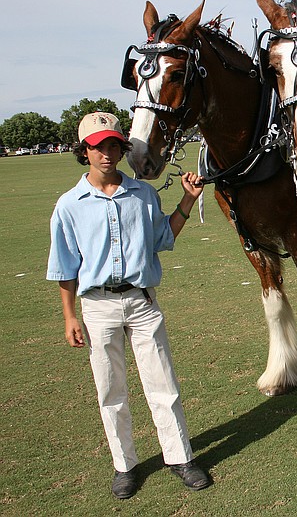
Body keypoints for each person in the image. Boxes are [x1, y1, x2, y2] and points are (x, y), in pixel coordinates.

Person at [46, 112, 211, 499]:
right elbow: (65, 266)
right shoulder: (69, 206)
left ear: (122, 149)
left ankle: (180, 457)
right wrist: (69, 315)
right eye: (98, 146)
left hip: (142, 303)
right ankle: (125, 466)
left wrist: (187, 201)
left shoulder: (143, 195)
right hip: (97, 307)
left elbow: (162, 240)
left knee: (163, 384)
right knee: (111, 391)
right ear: (84, 151)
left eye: (114, 145)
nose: (107, 153)